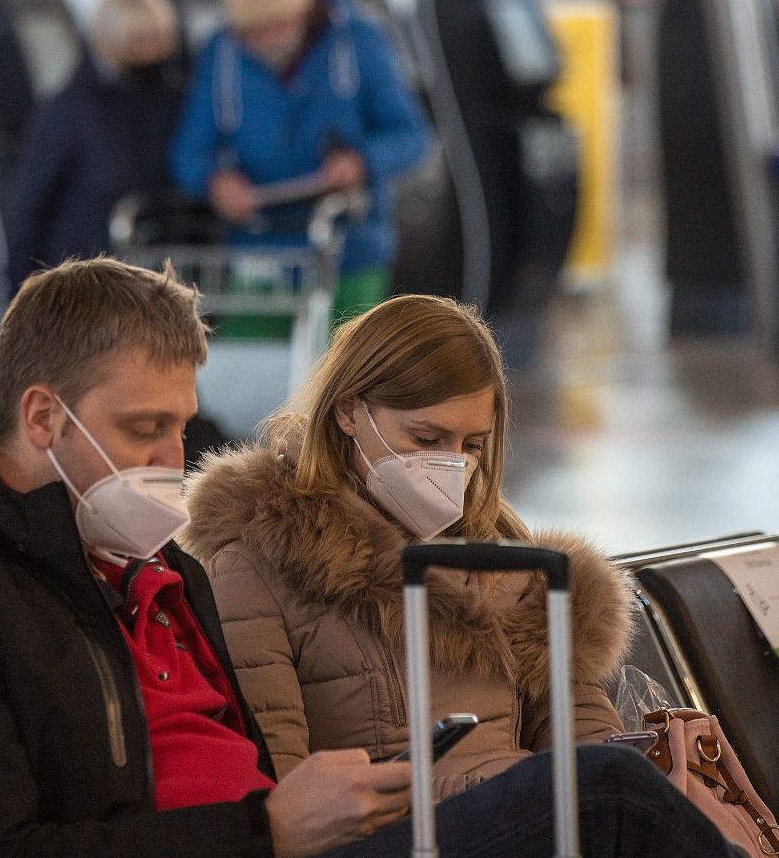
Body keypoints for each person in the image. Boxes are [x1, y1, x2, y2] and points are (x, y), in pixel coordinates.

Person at [0, 260, 777, 858]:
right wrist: (266, 830)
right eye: (144, 426)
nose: (169, 459)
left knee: (601, 799)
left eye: (181, 425)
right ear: (43, 413)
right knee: (600, 800)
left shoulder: (139, 570)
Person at [184, 294, 633, 794]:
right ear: (349, 412)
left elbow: (582, 729)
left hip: (529, 828)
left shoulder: (503, 551)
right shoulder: (255, 565)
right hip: (392, 844)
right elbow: (289, 796)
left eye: (472, 446)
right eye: (426, 439)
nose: (452, 465)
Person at [170, 0, 427, 321]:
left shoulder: (361, 43)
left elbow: (412, 136)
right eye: (252, 33)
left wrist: (362, 161)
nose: (266, 42)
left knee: (347, 371)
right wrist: (214, 183)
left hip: (350, 251)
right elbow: (188, 151)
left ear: (302, 13)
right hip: (259, 252)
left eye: (277, 26)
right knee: (254, 371)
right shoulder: (221, 54)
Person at [5, 0, 183, 290]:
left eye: (156, 39)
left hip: (136, 279)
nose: (151, 52)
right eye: (139, 41)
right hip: (79, 283)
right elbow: (31, 208)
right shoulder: (71, 110)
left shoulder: (170, 102)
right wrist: (16, 294)